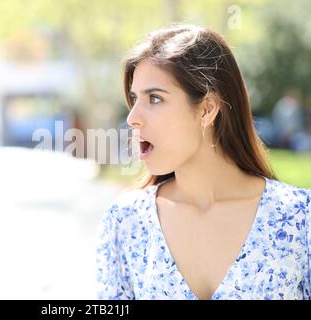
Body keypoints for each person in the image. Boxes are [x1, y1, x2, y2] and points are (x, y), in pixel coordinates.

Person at [96, 24, 311, 300]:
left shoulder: (299, 219)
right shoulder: (125, 221)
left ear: (208, 109)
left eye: (155, 98)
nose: (132, 117)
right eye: (135, 99)